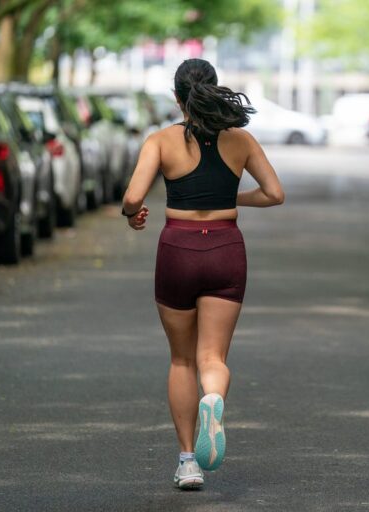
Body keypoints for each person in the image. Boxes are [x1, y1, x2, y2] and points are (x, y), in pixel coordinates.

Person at [121, 58, 284, 490]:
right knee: (212, 359)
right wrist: (231, 197)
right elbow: (275, 193)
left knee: (181, 359)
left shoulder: (160, 140)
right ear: (214, 89)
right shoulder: (240, 140)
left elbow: (132, 197)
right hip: (226, 247)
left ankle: (188, 461)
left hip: (177, 247)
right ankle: (214, 398)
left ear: (177, 97)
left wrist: (133, 214)